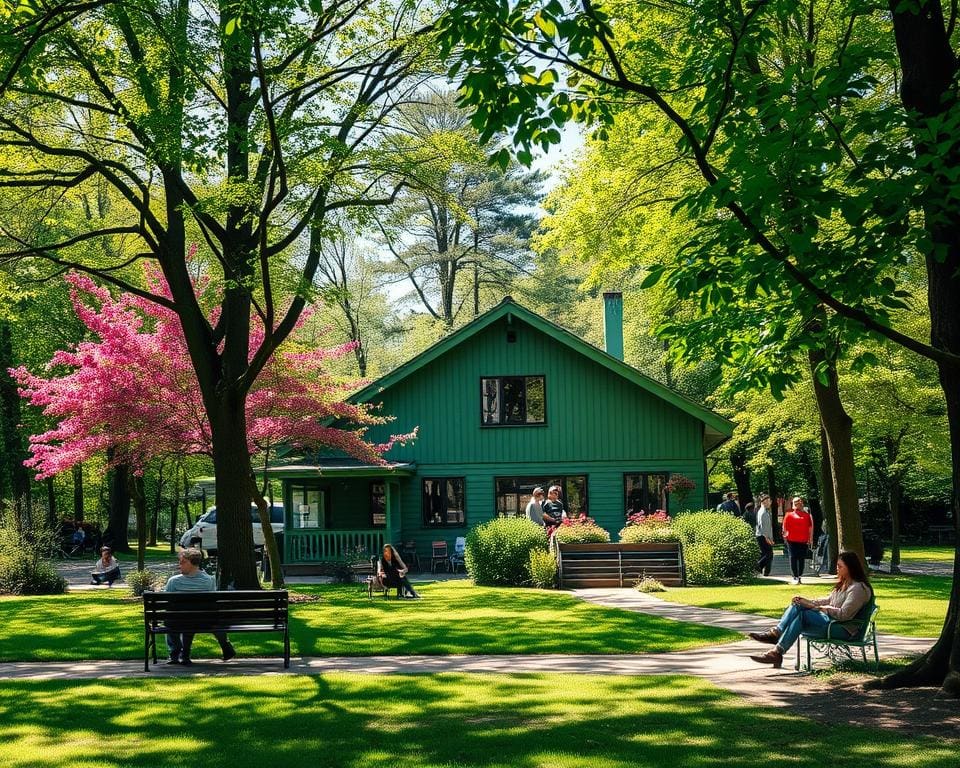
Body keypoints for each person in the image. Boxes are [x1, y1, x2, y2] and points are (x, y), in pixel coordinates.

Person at [748, 550, 873, 668]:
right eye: (837, 565)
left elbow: (844, 615)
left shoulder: (858, 589)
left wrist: (819, 608)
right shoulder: (844, 584)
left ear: (851, 568)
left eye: (840, 567)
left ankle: (776, 644)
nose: (837, 569)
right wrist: (806, 601)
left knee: (803, 617)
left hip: (843, 629)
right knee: (798, 605)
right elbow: (829, 600)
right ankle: (776, 644)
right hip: (831, 623)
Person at [163, 548, 236, 665]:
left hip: (179, 621)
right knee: (195, 618)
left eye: (182, 562)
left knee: (173, 620)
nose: (179, 565)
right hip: (204, 620)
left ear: (192, 563)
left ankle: (175, 654)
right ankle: (224, 645)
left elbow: (167, 603)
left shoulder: (174, 582)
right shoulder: (209, 581)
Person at [782, 496, 814, 584]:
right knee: (793, 557)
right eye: (796, 502)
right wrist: (785, 537)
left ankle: (799, 575)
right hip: (791, 540)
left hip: (803, 540)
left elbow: (810, 528)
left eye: (799, 502)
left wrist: (810, 539)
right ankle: (795, 576)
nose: (798, 504)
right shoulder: (788, 515)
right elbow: (784, 527)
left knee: (801, 558)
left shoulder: (806, 516)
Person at [755, 494, 774, 577]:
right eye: (769, 501)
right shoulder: (763, 512)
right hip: (763, 536)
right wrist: (768, 538)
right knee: (769, 554)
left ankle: (765, 572)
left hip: (762, 536)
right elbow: (764, 527)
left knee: (766, 554)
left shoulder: (764, 511)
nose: (770, 503)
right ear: (764, 502)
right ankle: (757, 568)